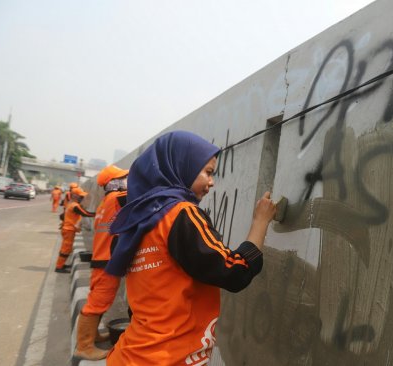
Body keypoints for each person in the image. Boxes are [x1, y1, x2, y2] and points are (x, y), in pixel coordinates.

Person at [105, 131, 276, 365]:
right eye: (207, 172)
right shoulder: (182, 215)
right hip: (168, 358)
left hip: (131, 354)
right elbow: (235, 270)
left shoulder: (138, 219)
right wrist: (261, 221)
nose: (212, 182)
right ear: (180, 166)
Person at [73, 165, 129, 360]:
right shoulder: (116, 198)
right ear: (113, 183)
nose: (128, 180)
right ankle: (84, 346)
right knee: (97, 303)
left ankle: (93, 334)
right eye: (124, 177)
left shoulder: (106, 201)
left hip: (101, 258)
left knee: (98, 300)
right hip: (106, 260)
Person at [55, 187, 95, 273]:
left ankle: (61, 264)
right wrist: (99, 213)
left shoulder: (71, 203)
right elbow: (86, 213)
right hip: (69, 229)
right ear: (75, 196)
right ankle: (59, 267)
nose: (82, 198)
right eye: (81, 196)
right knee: (66, 248)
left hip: (68, 229)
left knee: (66, 248)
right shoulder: (75, 206)